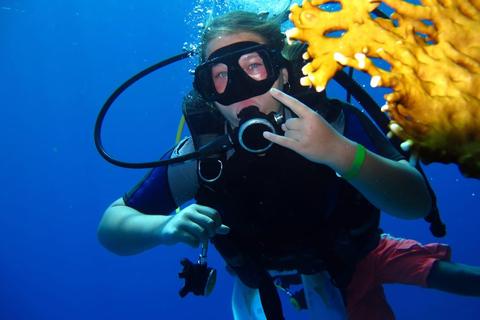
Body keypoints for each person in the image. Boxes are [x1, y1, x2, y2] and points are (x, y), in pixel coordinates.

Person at [97, 10, 480, 319]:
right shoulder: (201, 157)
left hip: (360, 261)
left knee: (456, 278)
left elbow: (415, 203)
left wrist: (339, 153)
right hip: (263, 286)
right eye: (221, 77)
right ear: (208, 95)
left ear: (281, 71)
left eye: (254, 67)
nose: (241, 90)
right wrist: (163, 227)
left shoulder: (335, 125)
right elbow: (111, 228)